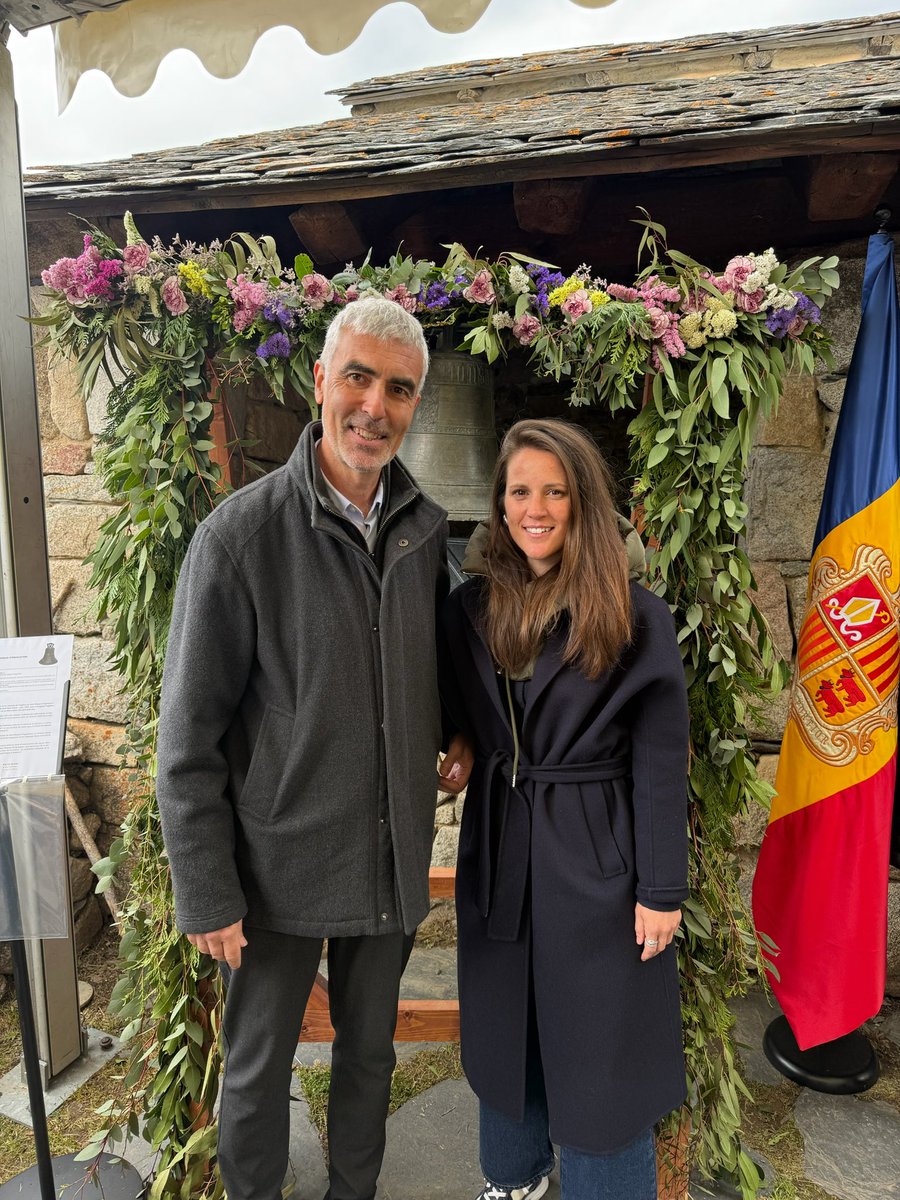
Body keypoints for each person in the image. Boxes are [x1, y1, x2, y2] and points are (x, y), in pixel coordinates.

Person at [156, 295, 471, 1200]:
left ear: (416, 405)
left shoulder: (424, 530)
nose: (376, 406)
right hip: (273, 869)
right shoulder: (240, 539)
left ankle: (352, 1193)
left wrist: (458, 733)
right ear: (322, 379)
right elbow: (187, 740)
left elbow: (434, 669)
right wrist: (207, 889)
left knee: (369, 1055)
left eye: (400, 390)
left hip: (388, 852)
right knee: (257, 1069)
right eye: (360, 378)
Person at [441, 418, 690, 1200]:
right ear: (499, 504)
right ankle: (513, 1179)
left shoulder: (632, 613)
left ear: (583, 502)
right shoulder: (472, 608)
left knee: (600, 1050)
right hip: (504, 841)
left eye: (555, 490)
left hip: (597, 852)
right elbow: (460, 705)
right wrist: (460, 741)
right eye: (520, 491)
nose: (536, 507)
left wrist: (660, 889)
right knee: (508, 1025)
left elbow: (658, 756)